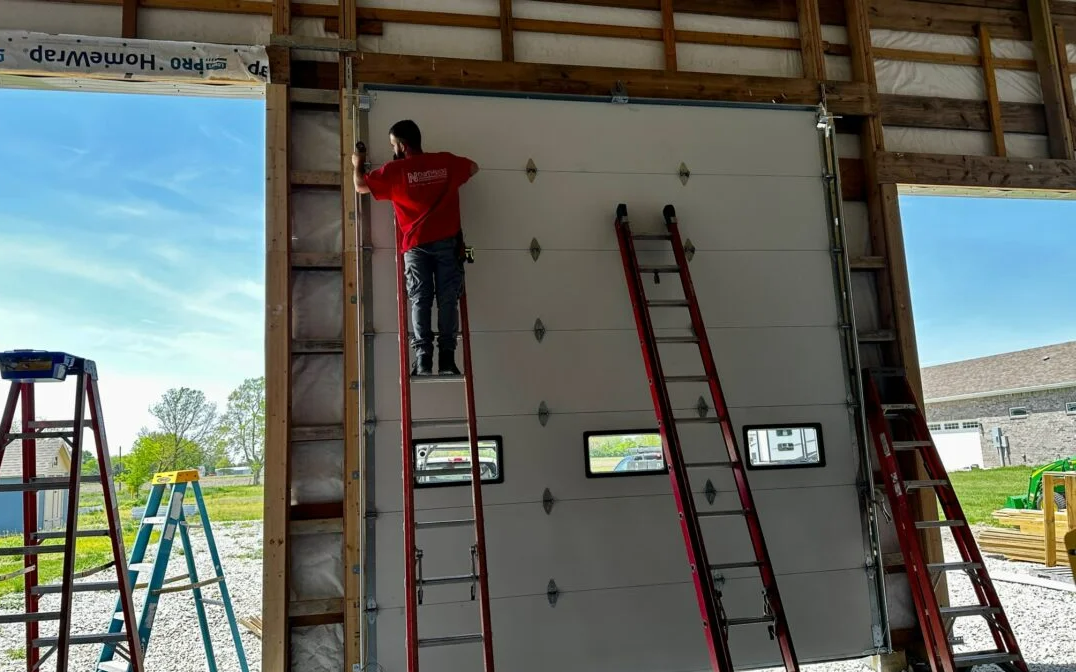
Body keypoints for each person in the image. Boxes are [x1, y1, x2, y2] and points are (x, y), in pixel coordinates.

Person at [352, 119, 480, 377]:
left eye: (393, 145)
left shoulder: (395, 172)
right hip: (448, 244)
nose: (393, 149)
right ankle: (447, 359)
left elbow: (360, 186)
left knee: (420, 299)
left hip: (415, 246)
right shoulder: (444, 162)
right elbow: (473, 167)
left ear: (401, 145)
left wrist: (358, 163)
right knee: (448, 299)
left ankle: (423, 360)